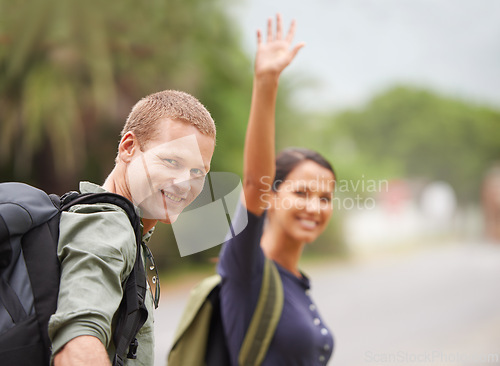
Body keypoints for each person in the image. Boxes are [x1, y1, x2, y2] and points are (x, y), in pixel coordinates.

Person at [48, 90, 216, 365]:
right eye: (172, 162)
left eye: (198, 172)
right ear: (128, 148)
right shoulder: (108, 225)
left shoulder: (130, 230)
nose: (186, 183)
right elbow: (77, 343)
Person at [217, 14, 335, 365]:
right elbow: (255, 183)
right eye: (301, 193)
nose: (314, 207)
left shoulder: (296, 282)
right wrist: (266, 81)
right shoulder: (246, 267)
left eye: (324, 198)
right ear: (273, 196)